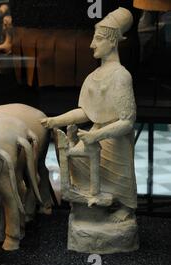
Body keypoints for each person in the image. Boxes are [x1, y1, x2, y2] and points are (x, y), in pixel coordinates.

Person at [41, 7, 137, 223]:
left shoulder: (121, 76)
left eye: (98, 39)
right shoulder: (93, 76)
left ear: (112, 41)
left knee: (118, 175)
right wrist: (55, 120)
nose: (92, 44)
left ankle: (125, 206)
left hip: (113, 139)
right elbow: (85, 111)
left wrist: (97, 136)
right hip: (95, 134)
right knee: (76, 158)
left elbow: (127, 121)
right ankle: (90, 201)